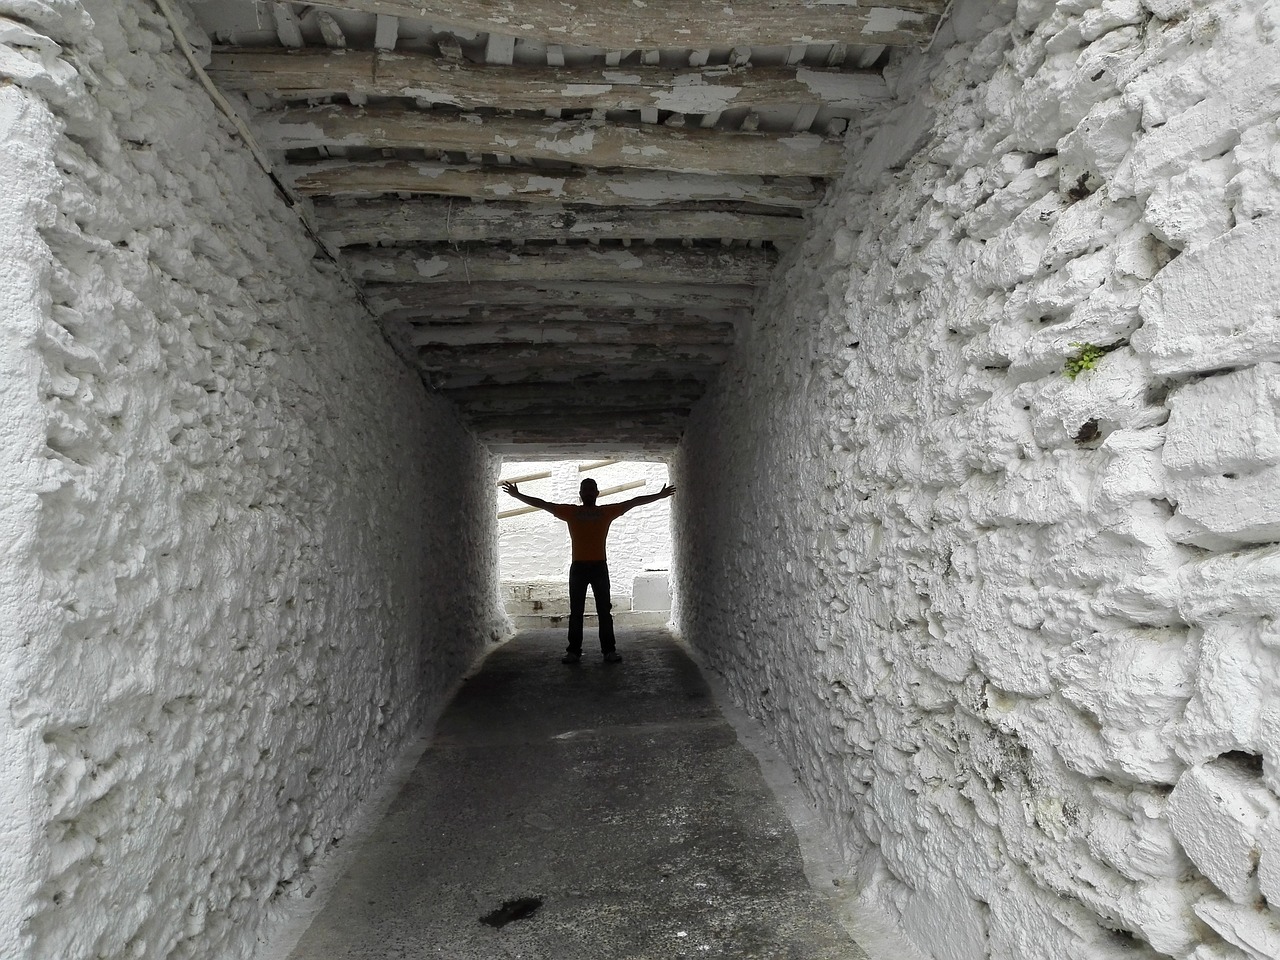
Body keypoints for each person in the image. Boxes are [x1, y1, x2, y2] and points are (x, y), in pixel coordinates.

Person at [501, 477, 675, 664]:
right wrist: (517, 495)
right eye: (586, 489)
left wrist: (659, 495)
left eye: (592, 489)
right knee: (576, 612)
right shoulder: (571, 512)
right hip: (579, 568)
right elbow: (543, 504)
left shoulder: (606, 512)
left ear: (597, 493)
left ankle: (608, 651)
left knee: (604, 612)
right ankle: (573, 652)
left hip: (599, 567)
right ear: (581, 494)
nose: (589, 492)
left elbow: (633, 502)